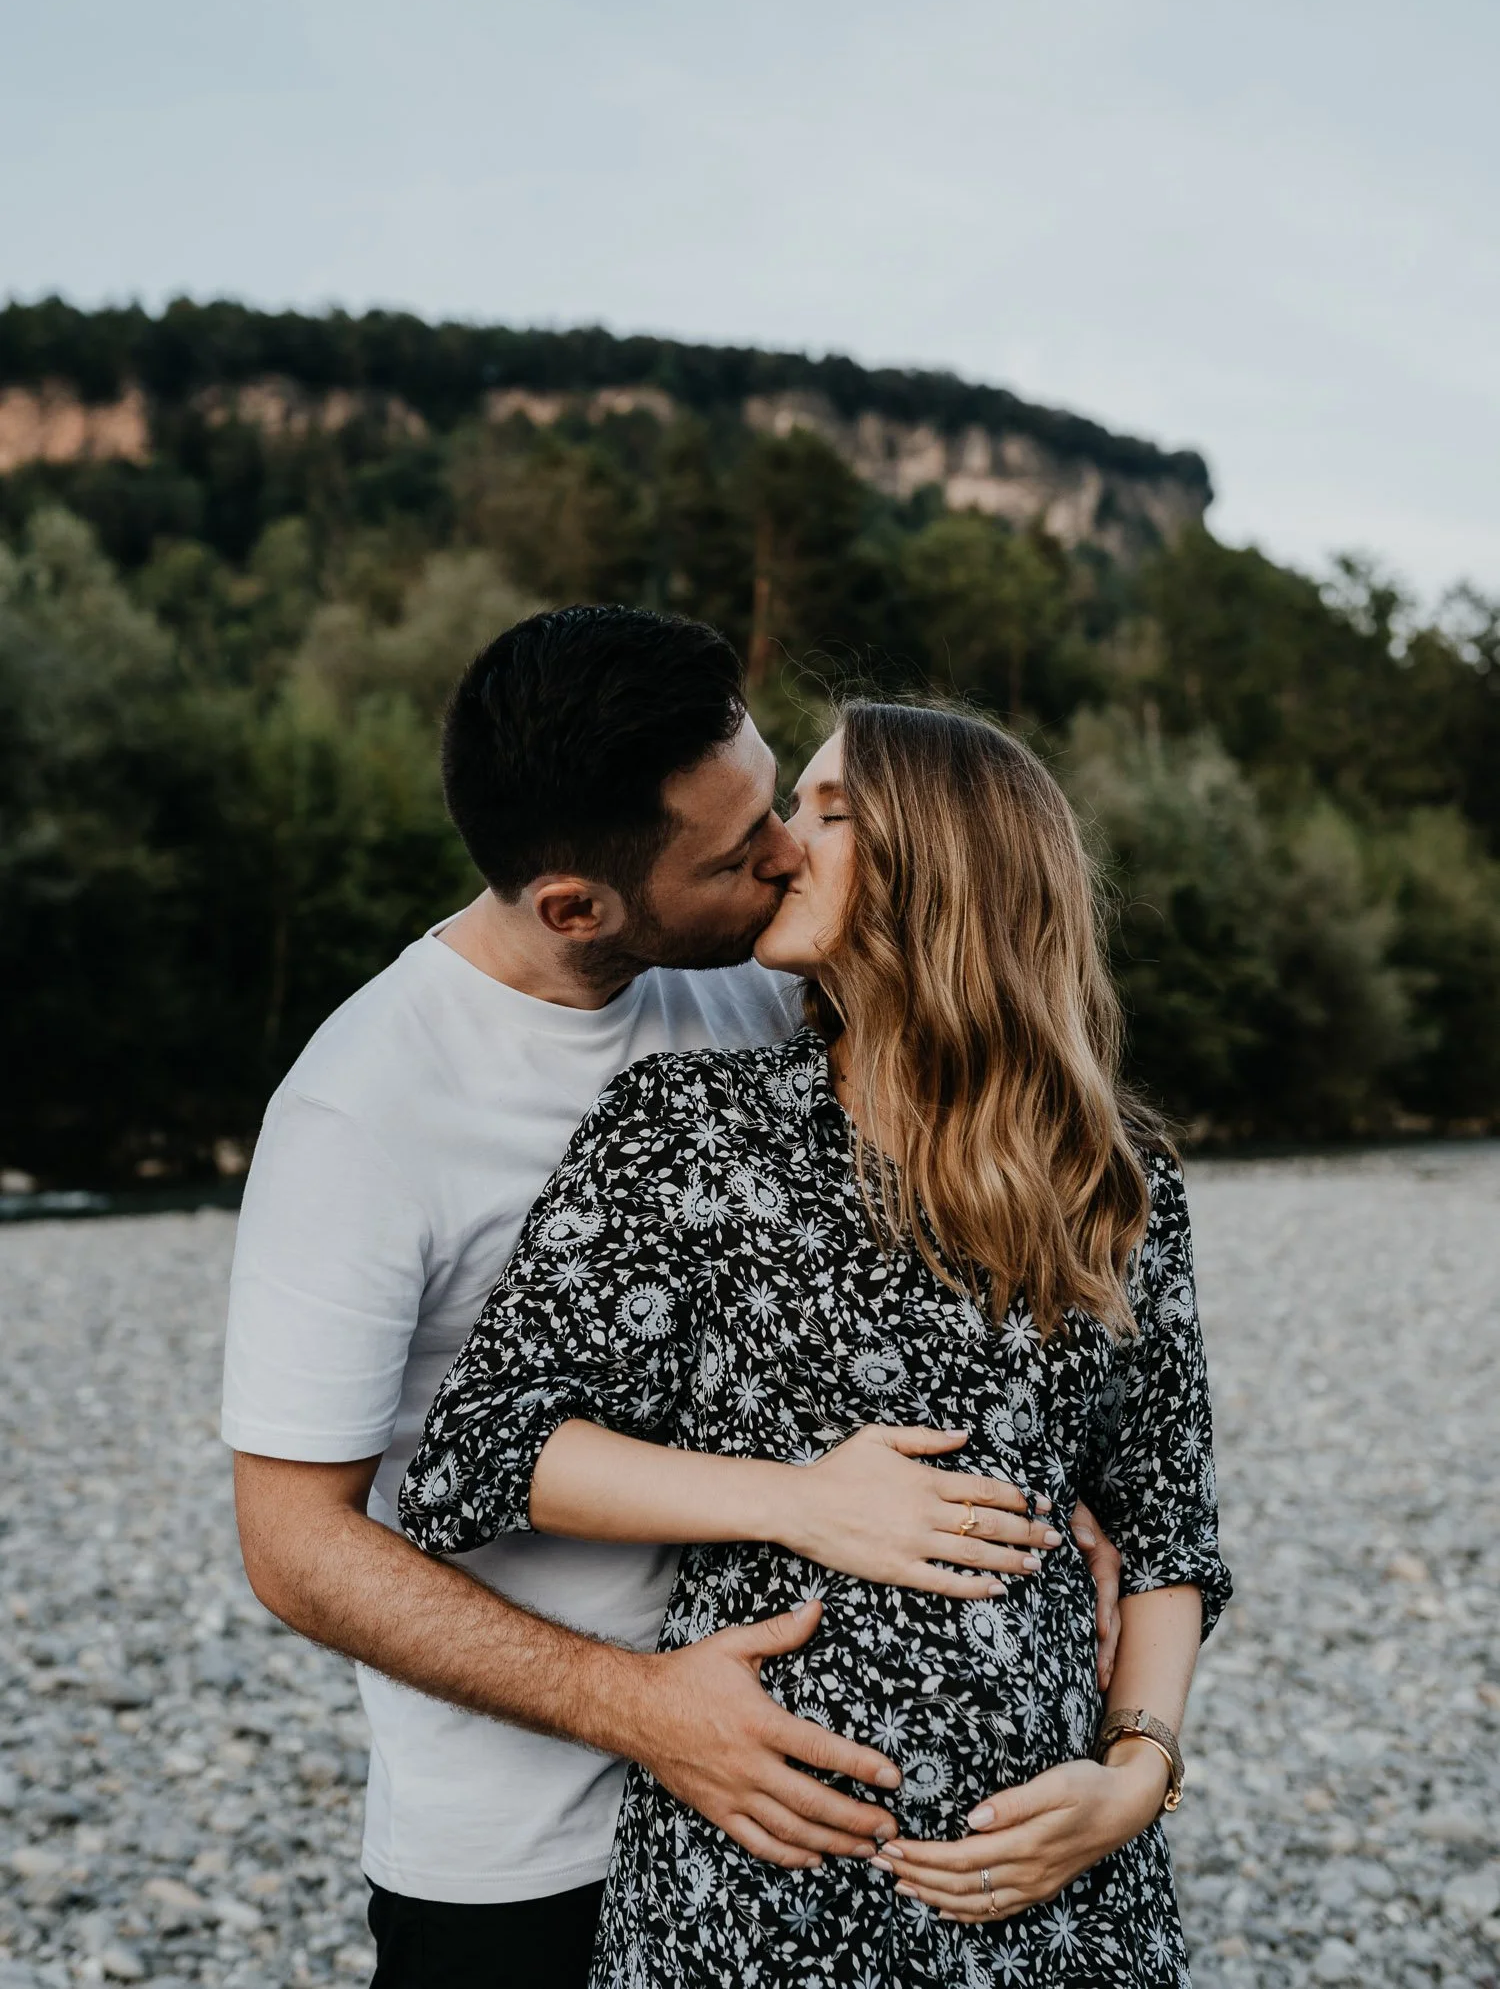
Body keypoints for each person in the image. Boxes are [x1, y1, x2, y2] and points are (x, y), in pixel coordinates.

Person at [221, 610, 1121, 1989]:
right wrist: (639, 1704)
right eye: (736, 849)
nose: (784, 854)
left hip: (805, 1824)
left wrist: (1079, 1517)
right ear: (578, 904)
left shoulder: (757, 986)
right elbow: (292, 1543)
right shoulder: (363, 1108)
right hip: (528, 1848)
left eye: (777, 802)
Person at [400, 700, 1232, 1986]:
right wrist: (798, 1503)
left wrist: (1135, 1777)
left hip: (1059, 1899)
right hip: (766, 1882)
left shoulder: (1117, 1185)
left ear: (944, 869)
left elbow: (1167, 1526)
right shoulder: (693, 1129)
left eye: (829, 812)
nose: (781, 844)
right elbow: (477, 1455)